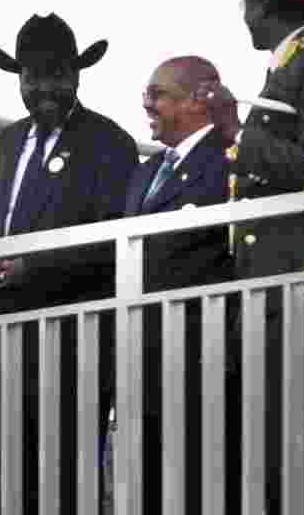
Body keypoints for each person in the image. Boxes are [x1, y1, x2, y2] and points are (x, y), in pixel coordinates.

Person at [198, 0, 304, 513]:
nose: (244, 17)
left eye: (249, 2)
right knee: (268, 435)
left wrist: (239, 133)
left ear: (264, 3)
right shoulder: (291, 63)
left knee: (293, 438)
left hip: (294, 283)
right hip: (268, 288)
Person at [0, 12, 139, 514]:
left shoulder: (110, 143)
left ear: (76, 75)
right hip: (11, 346)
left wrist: (29, 269)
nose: (43, 87)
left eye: (55, 74)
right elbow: (1, 231)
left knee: (70, 490)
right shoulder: (6, 143)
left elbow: (116, 246)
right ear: (19, 79)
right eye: (32, 76)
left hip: (76, 348)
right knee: (12, 491)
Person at [126, 56, 233, 514]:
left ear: (199, 100)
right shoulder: (147, 171)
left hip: (201, 352)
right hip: (144, 358)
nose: (146, 103)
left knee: (200, 487)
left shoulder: (227, 160)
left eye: (158, 94)